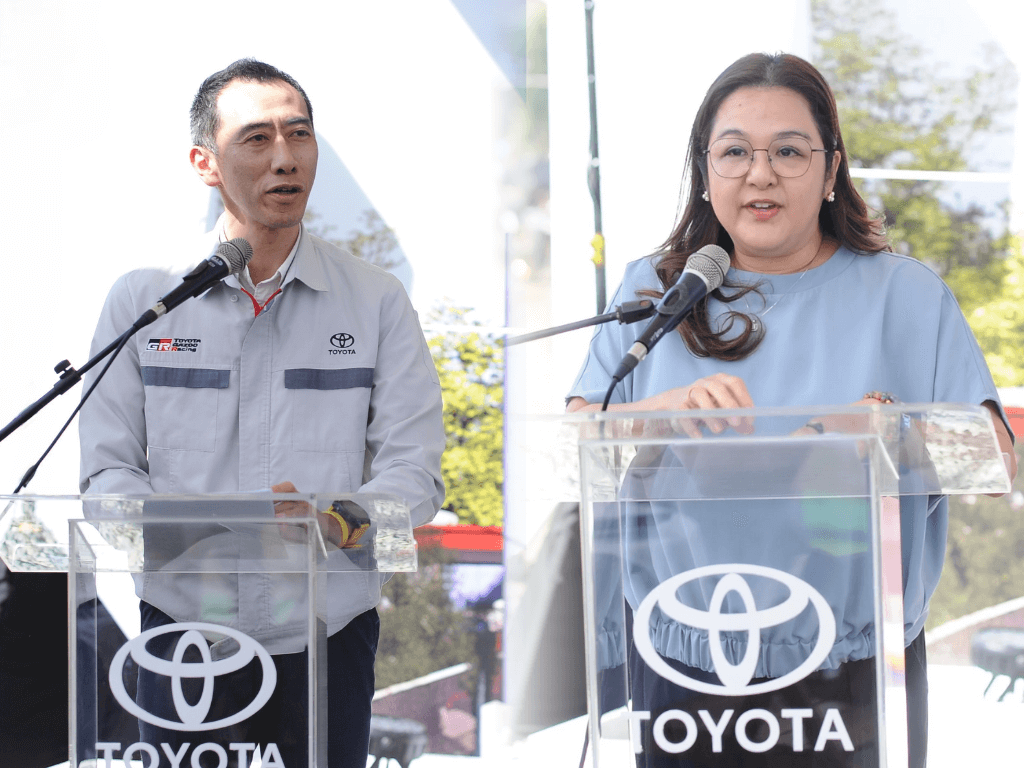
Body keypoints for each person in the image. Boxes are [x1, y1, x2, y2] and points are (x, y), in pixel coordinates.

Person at [566, 52, 1016, 767]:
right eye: (735, 151)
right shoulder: (654, 292)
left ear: (831, 169)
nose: (760, 173)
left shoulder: (905, 296)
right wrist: (664, 408)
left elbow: (993, 463)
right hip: (682, 657)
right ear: (705, 171)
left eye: (788, 151)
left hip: (857, 674)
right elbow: (575, 453)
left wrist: (885, 435)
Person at [79, 59, 445, 768]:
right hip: (183, 633)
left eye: (299, 135)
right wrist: (194, 522)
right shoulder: (145, 301)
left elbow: (414, 473)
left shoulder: (373, 301)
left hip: (327, 636)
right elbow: (105, 478)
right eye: (256, 138)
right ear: (204, 162)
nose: (285, 157)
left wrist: (339, 518)